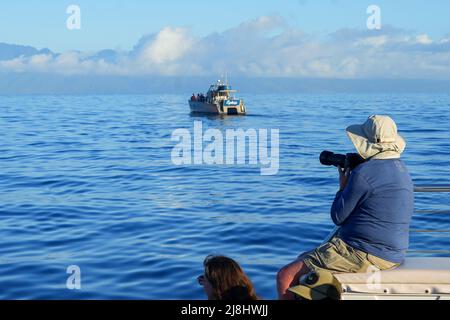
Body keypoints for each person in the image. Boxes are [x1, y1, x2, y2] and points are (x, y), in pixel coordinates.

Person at [277, 115, 414, 300]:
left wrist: (343, 186)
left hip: (364, 253)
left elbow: (338, 217)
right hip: (393, 253)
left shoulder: (364, 174)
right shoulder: (400, 168)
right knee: (304, 257)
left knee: (286, 276)